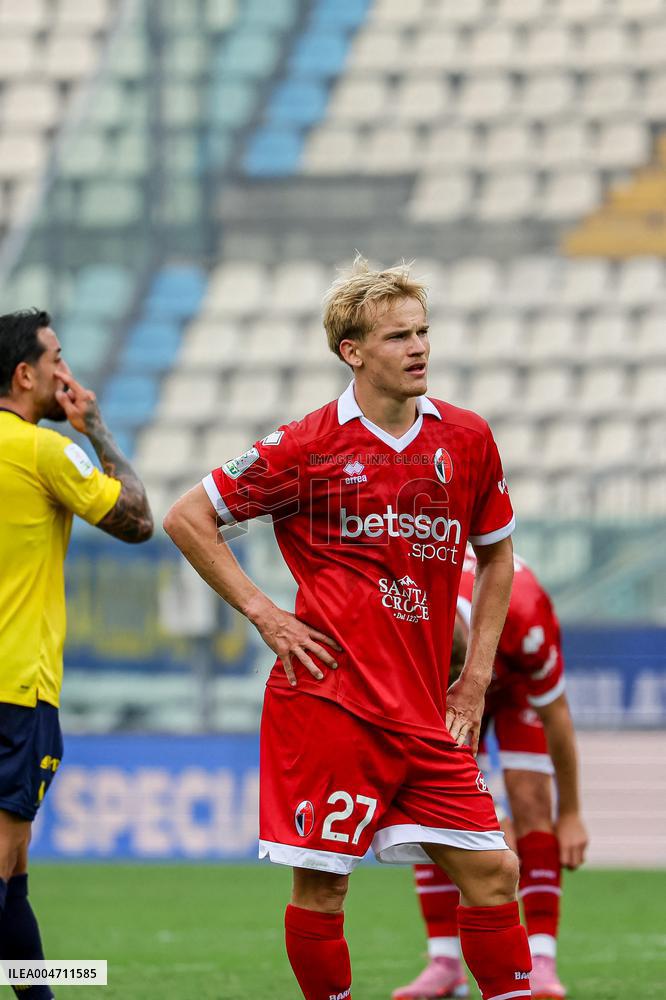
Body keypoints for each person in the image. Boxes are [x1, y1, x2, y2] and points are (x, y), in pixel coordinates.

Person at [164, 256, 530, 1000]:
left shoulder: (465, 439)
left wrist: (476, 678)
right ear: (352, 352)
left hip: (426, 708)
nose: (420, 347)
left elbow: (497, 559)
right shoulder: (306, 446)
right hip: (330, 705)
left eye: (424, 331)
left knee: (494, 873)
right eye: (398, 337)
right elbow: (187, 517)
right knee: (324, 891)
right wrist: (265, 612)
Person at [0, 309, 152, 998]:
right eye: (57, 358)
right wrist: (94, 429)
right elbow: (139, 520)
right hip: (16, 689)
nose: (67, 372)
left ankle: (39, 994)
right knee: (3, 870)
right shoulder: (43, 451)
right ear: (25, 373)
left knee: (15, 874)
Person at [393, 547, 588, 1000]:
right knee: (436, 804)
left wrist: (572, 812)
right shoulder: (408, 611)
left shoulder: (524, 615)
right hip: (443, 668)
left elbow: (556, 714)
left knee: (530, 798)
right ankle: (444, 962)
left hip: (514, 688)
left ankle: (541, 959)